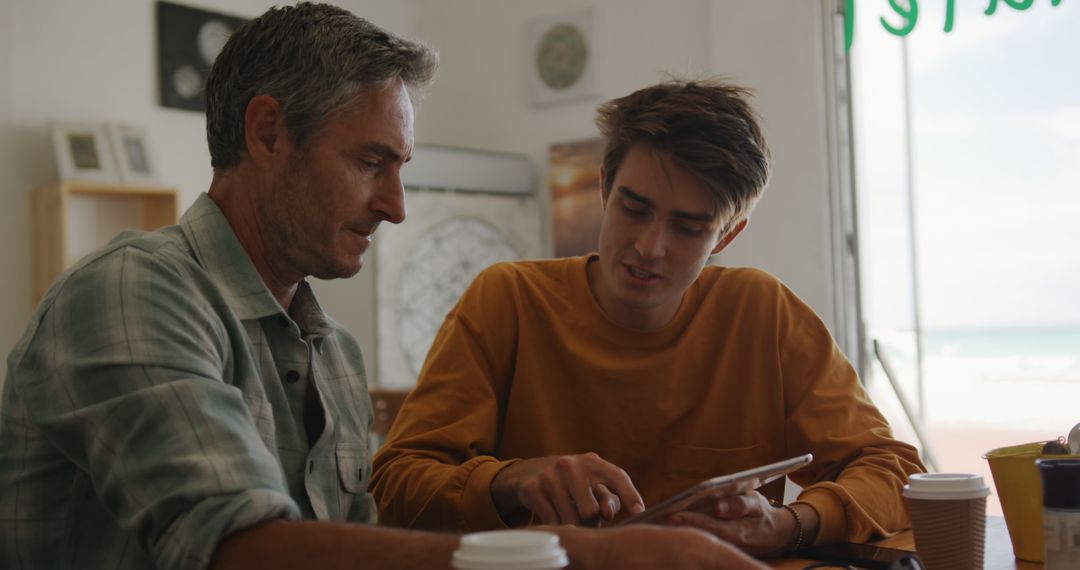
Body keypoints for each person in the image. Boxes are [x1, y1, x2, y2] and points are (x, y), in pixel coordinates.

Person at [0, 5, 766, 570]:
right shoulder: (135, 293)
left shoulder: (328, 348)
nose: (396, 206)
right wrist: (595, 556)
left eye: (401, 170)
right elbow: (237, 551)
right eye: (372, 164)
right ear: (267, 133)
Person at [370, 78, 927, 557]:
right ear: (605, 187)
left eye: (688, 228)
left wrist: (788, 525)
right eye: (634, 209)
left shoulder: (763, 314)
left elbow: (895, 471)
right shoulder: (508, 301)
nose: (650, 247)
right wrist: (513, 480)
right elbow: (393, 487)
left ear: (727, 236)